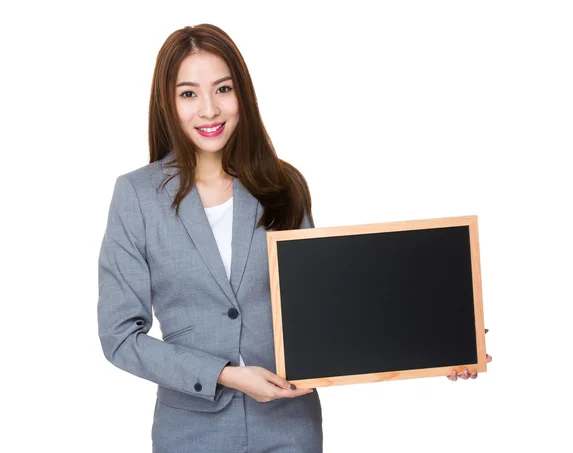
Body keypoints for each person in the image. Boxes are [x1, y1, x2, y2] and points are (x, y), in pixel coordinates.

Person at [97, 23, 492, 453]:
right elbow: (120, 337)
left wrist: (441, 342)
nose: (209, 109)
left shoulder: (282, 184)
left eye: (223, 89)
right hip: (190, 434)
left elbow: (323, 309)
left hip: (289, 429)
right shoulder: (136, 196)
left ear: (242, 94)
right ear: (168, 102)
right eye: (188, 93)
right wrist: (224, 374)